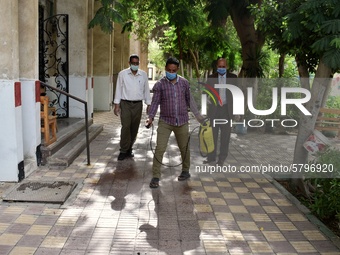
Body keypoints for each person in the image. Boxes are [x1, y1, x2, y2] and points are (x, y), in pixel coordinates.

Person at [146, 57, 203, 188]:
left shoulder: (184, 83)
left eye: (174, 70)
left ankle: (185, 171)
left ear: (177, 70)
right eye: (169, 70)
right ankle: (155, 176)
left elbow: (190, 101)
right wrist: (150, 117)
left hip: (182, 121)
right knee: (159, 148)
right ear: (165, 69)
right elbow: (155, 103)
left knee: (184, 148)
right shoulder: (160, 85)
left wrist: (198, 116)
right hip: (165, 121)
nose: (171, 72)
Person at [114, 54, 151, 161]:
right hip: (125, 104)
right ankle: (123, 150)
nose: (135, 65)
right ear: (129, 63)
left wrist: (148, 104)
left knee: (134, 127)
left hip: (138, 105)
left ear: (138, 63)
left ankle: (130, 148)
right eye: (133, 63)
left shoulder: (143, 75)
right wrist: (117, 105)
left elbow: (146, 90)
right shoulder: (123, 74)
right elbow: (118, 90)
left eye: (137, 63)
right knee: (125, 126)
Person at [204, 57, 238, 166]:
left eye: (223, 66)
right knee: (212, 135)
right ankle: (211, 158)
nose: (221, 68)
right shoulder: (211, 78)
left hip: (227, 110)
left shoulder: (233, 78)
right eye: (220, 66)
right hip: (214, 110)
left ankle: (222, 158)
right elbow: (206, 92)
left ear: (226, 67)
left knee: (225, 136)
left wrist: (237, 111)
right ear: (217, 67)